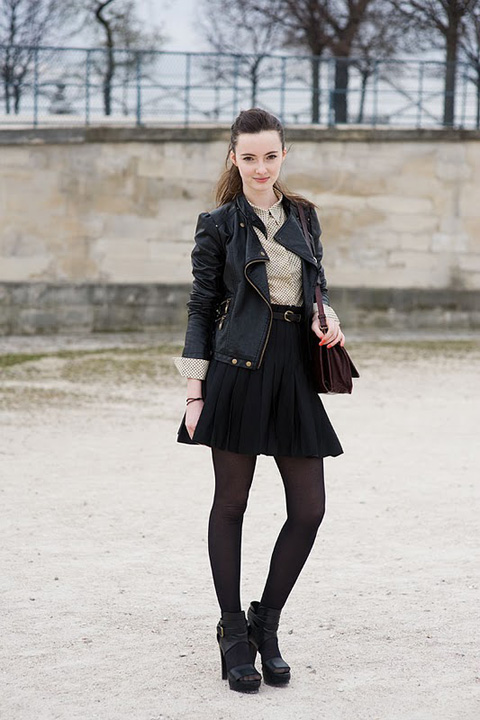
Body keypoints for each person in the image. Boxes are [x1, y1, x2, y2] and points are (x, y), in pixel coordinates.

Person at [173, 107, 344, 693]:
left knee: (310, 509)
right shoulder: (218, 224)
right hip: (237, 371)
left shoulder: (304, 216)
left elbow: (317, 283)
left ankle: (264, 622)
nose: (261, 167)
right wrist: (193, 393)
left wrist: (326, 314)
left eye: (271, 156)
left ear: (283, 155)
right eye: (249, 157)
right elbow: (200, 308)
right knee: (231, 504)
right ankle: (232, 632)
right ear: (234, 158)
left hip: (293, 372)